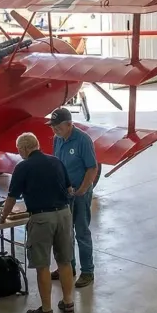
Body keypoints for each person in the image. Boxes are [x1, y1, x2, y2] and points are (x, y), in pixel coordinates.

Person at [0, 132, 75, 313]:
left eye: (19, 150)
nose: (19, 154)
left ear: (24, 149)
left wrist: (3, 217)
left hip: (41, 218)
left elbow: (12, 197)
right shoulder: (56, 161)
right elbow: (69, 189)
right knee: (65, 262)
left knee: (42, 265)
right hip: (64, 215)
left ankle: (47, 310)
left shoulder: (22, 167)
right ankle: (68, 303)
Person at [48, 107, 97, 288]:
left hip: (80, 193)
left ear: (69, 124)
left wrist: (82, 191)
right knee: (65, 234)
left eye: (58, 127)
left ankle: (87, 271)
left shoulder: (83, 140)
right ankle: (69, 267)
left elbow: (92, 168)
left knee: (81, 231)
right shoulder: (57, 140)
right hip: (64, 193)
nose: (55, 130)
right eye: (52, 127)